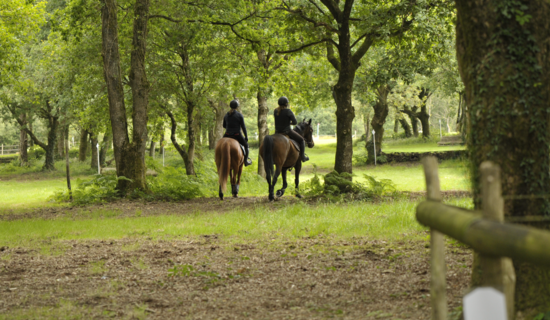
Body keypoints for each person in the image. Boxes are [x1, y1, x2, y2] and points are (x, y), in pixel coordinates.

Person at [274, 96, 309, 162]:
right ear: (286, 104)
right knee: (302, 140)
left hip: (277, 132)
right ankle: (303, 157)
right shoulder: (288, 111)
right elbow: (295, 122)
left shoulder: (275, 111)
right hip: (287, 131)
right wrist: (289, 123)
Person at [223, 99, 252, 166]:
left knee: (220, 144)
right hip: (237, 135)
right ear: (237, 107)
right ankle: (246, 161)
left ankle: (218, 159)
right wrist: (246, 137)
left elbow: (224, 125)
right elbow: (243, 127)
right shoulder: (239, 115)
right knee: (246, 146)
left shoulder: (226, 115)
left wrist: (229, 128)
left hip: (227, 134)